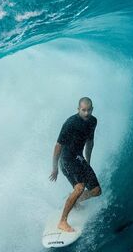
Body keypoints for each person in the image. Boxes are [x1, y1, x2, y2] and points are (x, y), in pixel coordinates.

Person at [49, 97, 102, 232]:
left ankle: (75, 201)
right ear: (78, 109)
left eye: (88, 110)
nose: (86, 113)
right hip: (66, 158)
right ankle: (62, 221)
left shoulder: (93, 121)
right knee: (79, 187)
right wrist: (55, 168)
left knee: (96, 191)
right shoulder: (70, 123)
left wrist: (87, 162)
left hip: (79, 158)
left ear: (92, 109)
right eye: (83, 110)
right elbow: (57, 146)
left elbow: (90, 143)